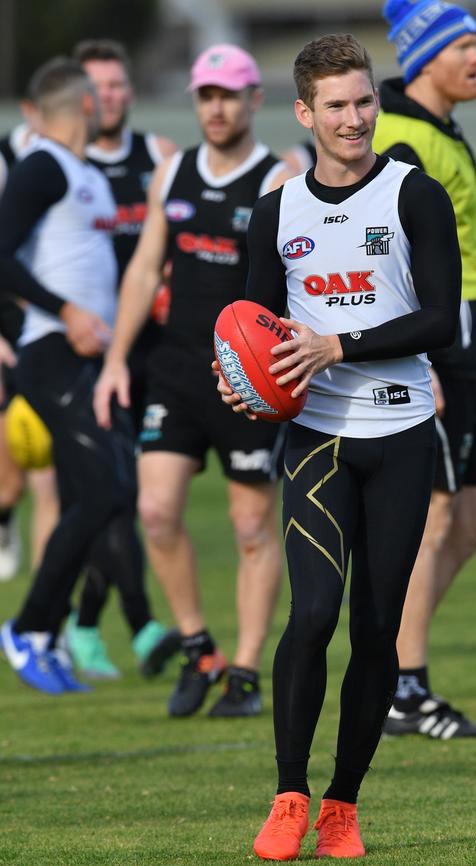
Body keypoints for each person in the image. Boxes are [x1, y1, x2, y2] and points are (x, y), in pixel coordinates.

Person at [216, 33, 461, 860]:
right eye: (336, 106)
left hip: (399, 436)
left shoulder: (412, 195)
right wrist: (242, 383)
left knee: (376, 628)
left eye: (363, 101)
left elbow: (441, 320)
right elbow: (251, 327)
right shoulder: (276, 209)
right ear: (304, 113)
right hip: (318, 440)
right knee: (312, 613)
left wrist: (339, 345)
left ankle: (342, 805)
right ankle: (289, 794)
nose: (354, 118)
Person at [94, 44, 291, 718]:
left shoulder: (277, 178)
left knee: (250, 526)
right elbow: (146, 271)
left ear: (254, 101)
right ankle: (198, 647)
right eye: (206, 95)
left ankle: (243, 670)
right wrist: (118, 358)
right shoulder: (171, 171)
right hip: (176, 370)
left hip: (247, 380)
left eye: (229, 94)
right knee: (156, 511)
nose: (216, 107)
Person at [373, 0, 476, 739]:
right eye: (465, 47)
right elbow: (389, 254)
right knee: (434, 518)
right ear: (424, 55)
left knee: (475, 520)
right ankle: (403, 687)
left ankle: (391, 654)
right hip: (437, 353)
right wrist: (416, 357)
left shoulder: (440, 131)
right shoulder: (401, 140)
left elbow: (438, 230)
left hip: (466, 353)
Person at [0, 57, 156, 695]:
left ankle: (44, 628)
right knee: (100, 492)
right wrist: (62, 311)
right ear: (87, 106)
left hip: (92, 361)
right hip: (50, 354)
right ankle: (30, 627)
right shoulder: (41, 164)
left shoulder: (85, 173)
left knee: (114, 492)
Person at [60, 38, 179, 680]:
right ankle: (138, 627)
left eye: (118, 85)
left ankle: (81, 624)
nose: (109, 97)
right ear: (79, 96)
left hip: (152, 356)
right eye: (98, 86)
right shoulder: (63, 167)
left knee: (127, 497)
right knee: (112, 493)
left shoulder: (158, 157)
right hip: (87, 357)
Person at [0, 104, 60, 581]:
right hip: (5, 332)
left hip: (44, 333)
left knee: (48, 477)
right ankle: (3, 516)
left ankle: (45, 617)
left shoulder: (71, 164)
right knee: (7, 479)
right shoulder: (7, 159)